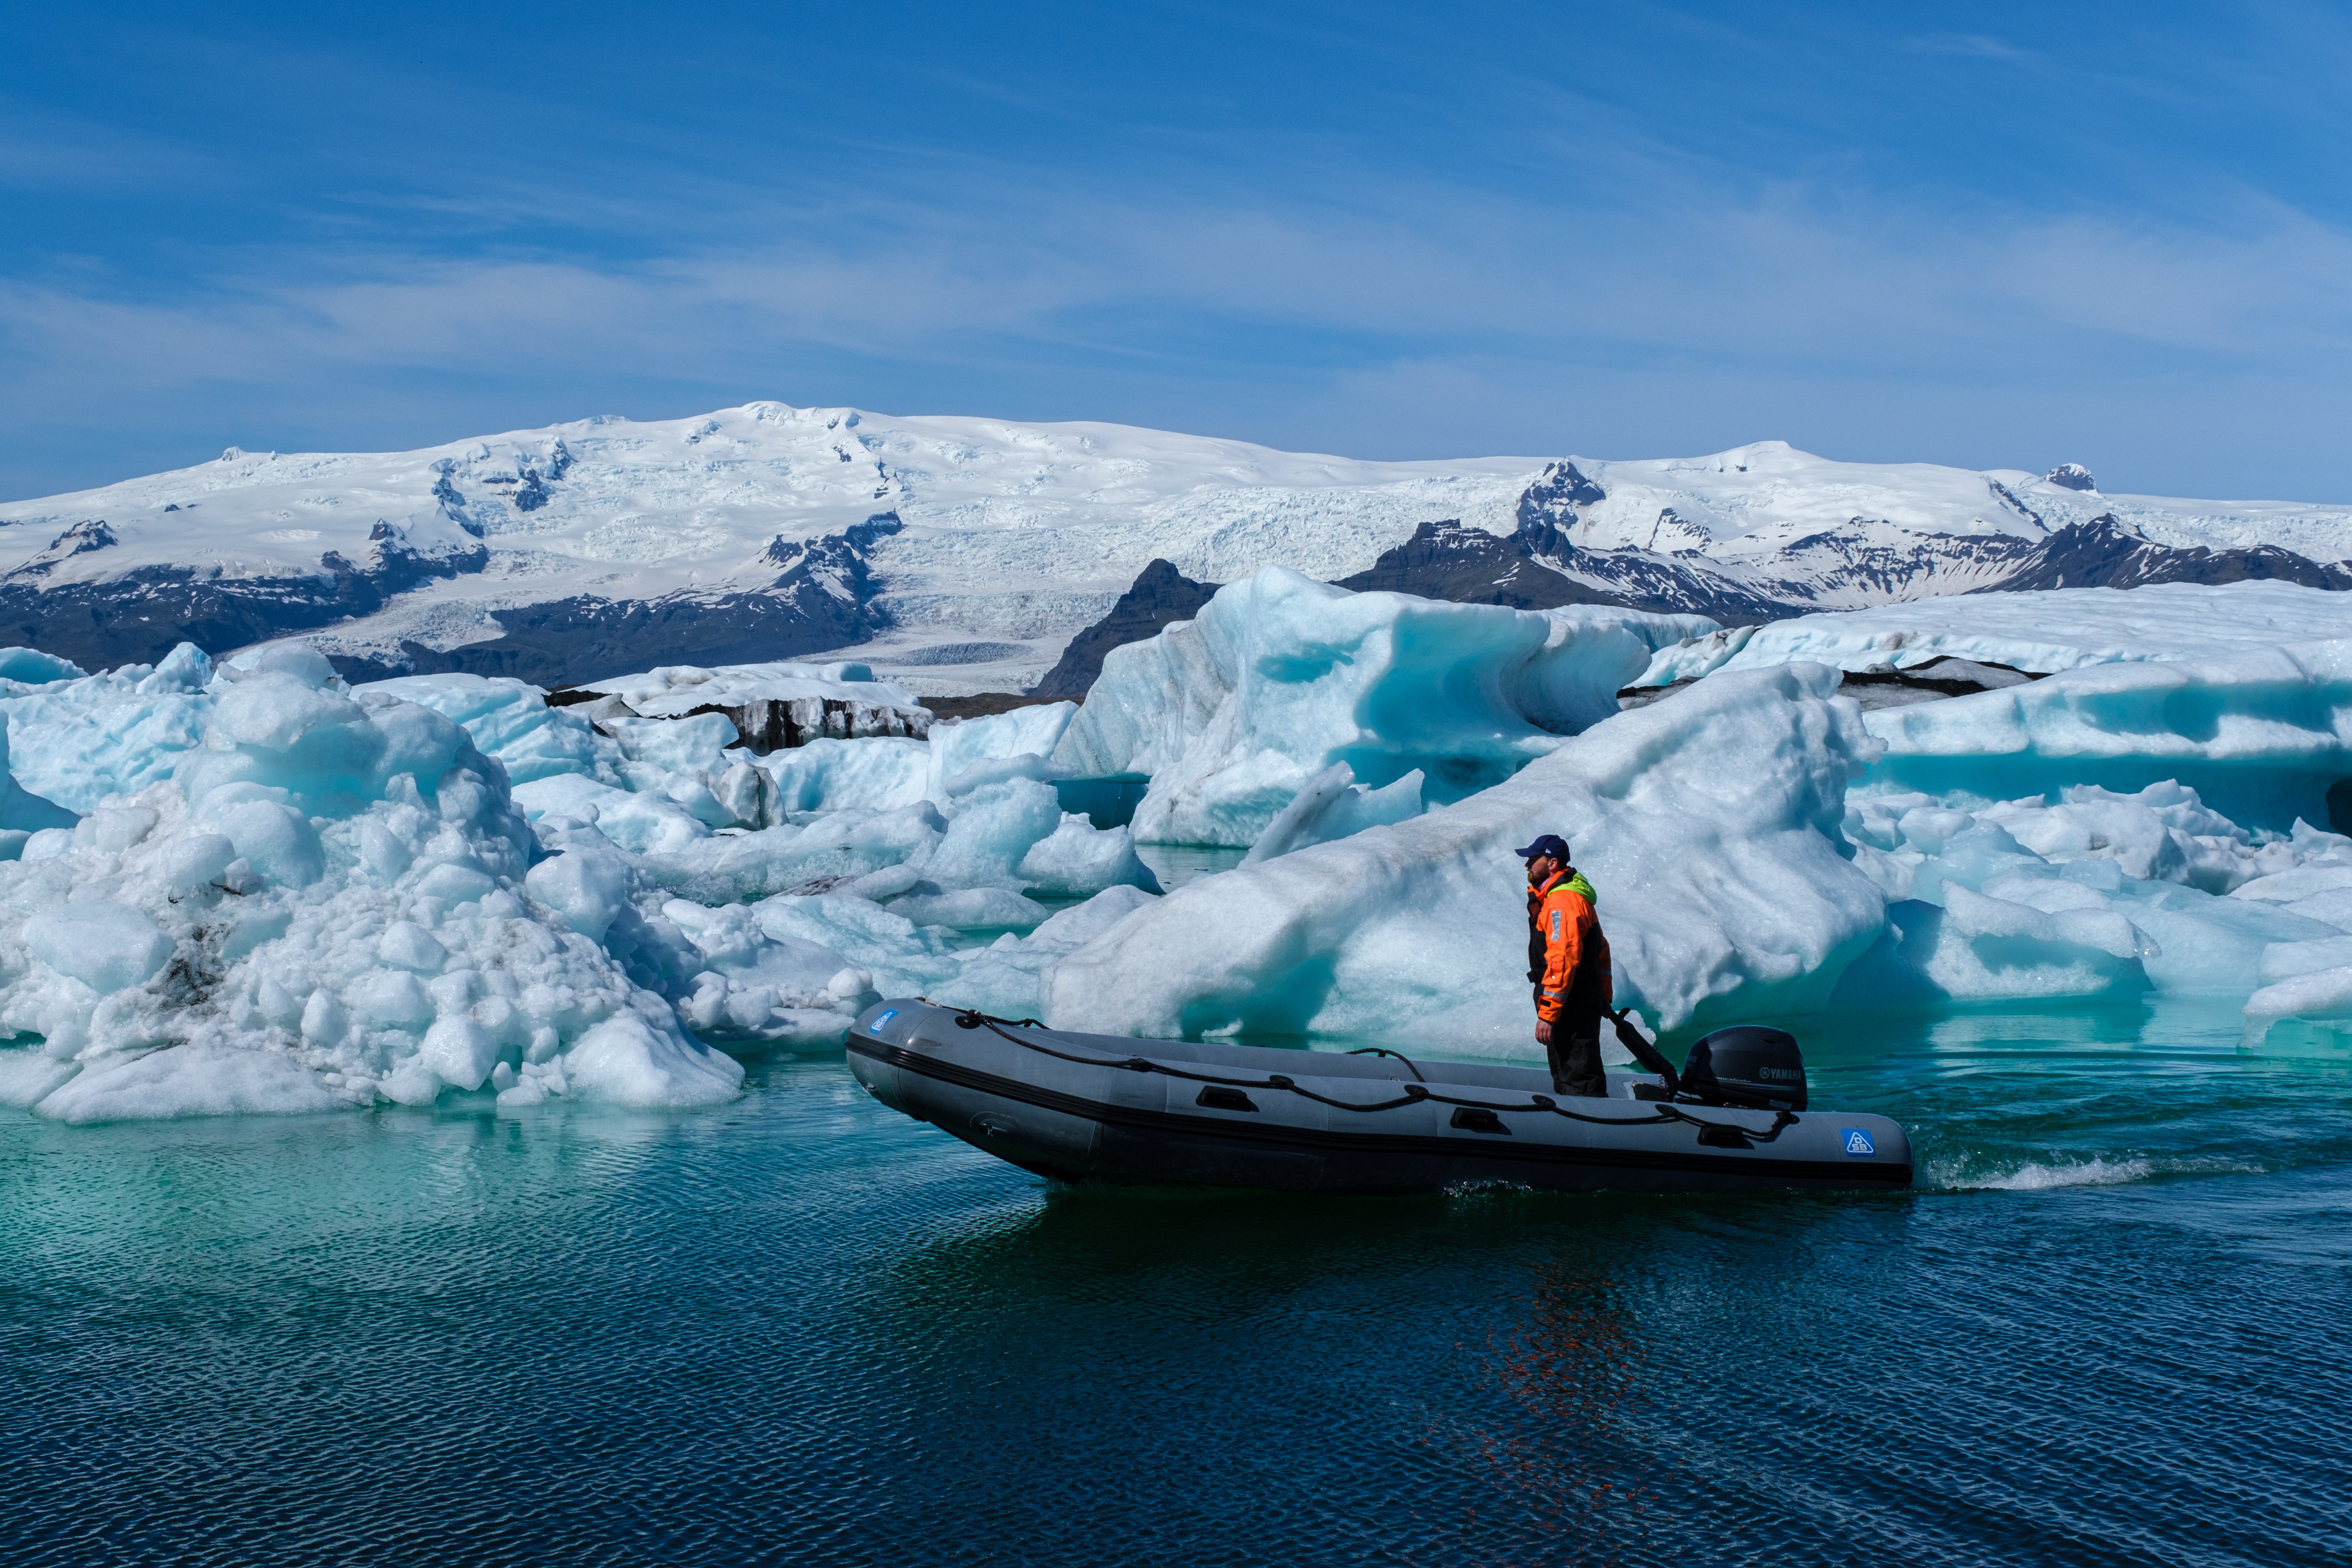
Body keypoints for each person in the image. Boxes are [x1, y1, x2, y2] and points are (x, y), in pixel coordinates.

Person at [1516, 833, 1611, 1098]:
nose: (1528, 865)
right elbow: (1601, 951)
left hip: (1571, 1000)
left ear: (1553, 864)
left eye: (1533, 859)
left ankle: (1592, 1127)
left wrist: (1548, 1013)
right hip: (1579, 996)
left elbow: (1562, 958)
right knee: (1572, 1069)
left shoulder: (1562, 903)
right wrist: (1604, 995)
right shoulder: (1561, 897)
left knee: (1577, 1072)